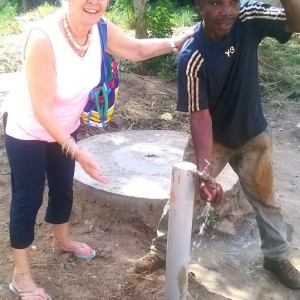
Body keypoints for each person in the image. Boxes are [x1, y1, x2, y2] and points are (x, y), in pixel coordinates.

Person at [0, 0, 194, 299]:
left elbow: (137, 50)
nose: (93, 2)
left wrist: (174, 42)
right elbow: (41, 109)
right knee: (28, 197)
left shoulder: (99, 29)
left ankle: (61, 241)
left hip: (65, 127)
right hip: (28, 130)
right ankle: (21, 276)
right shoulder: (43, 37)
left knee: (64, 188)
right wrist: (76, 151)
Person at [134, 0, 300, 290]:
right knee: (184, 193)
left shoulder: (248, 16)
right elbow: (200, 116)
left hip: (254, 134)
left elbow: (296, 23)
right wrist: (204, 170)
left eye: (232, 2)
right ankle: (162, 251)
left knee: (266, 199)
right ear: (200, 4)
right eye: (216, 3)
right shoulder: (193, 54)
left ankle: (276, 256)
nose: (227, 11)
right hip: (215, 138)